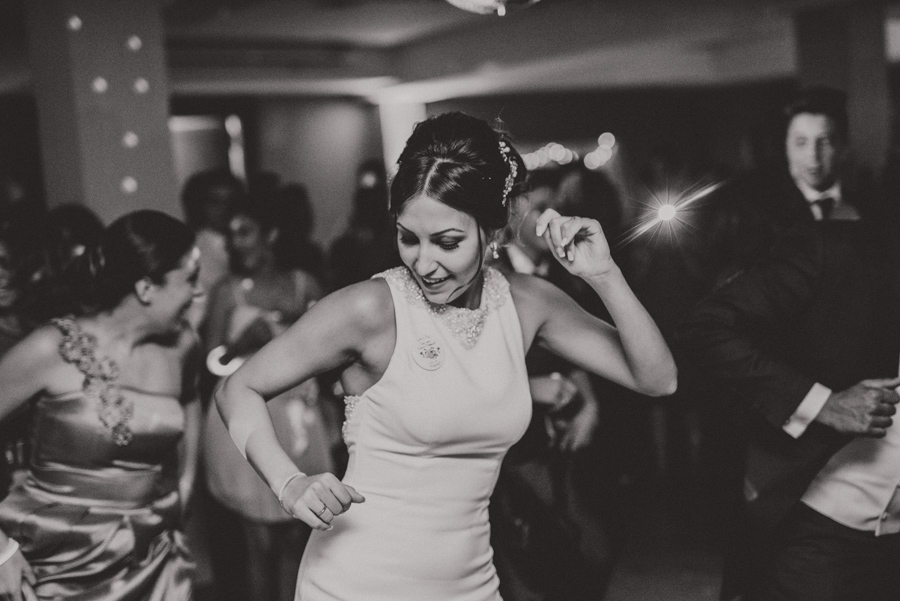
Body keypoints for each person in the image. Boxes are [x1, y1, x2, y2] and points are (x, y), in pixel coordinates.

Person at [215, 111, 676, 600]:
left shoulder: (528, 304)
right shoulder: (371, 310)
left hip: (472, 586)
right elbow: (237, 387)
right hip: (359, 584)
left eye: (448, 242)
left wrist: (603, 275)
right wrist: (289, 483)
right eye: (408, 238)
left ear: (493, 231)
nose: (423, 262)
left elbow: (657, 378)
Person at [679, 91, 900, 601]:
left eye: (824, 141)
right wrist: (822, 401)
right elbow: (710, 318)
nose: (814, 154)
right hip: (808, 469)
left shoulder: (864, 208)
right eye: (802, 141)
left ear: (841, 146)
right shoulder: (763, 213)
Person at [0, 209, 202, 600]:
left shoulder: (182, 346)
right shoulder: (50, 348)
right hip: (56, 564)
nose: (199, 292)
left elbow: (192, 401)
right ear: (146, 288)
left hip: (152, 559)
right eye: (190, 279)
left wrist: (187, 483)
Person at [202, 198, 333, 601]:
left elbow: (331, 349)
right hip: (246, 414)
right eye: (231, 235)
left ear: (270, 234)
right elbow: (210, 363)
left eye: (246, 232)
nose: (236, 243)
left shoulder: (302, 283)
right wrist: (239, 343)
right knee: (258, 542)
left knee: (300, 533)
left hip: (297, 417)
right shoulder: (227, 291)